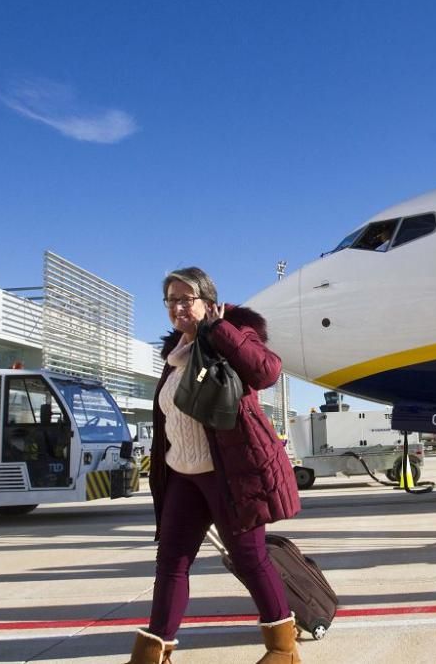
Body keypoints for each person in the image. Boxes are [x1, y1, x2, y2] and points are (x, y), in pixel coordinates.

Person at [125, 267, 301, 664]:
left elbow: (266, 371)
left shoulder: (234, 332)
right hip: (183, 476)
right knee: (171, 562)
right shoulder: (174, 355)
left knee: (249, 559)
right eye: (171, 300)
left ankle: (283, 650)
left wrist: (219, 328)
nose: (178, 307)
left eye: (187, 298)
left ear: (207, 300)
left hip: (229, 473)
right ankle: (154, 654)